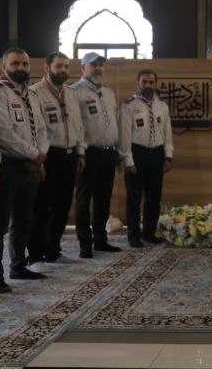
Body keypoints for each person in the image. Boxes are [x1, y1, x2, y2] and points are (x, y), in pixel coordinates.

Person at [0, 47, 49, 288]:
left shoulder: (32, 94)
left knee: (24, 219)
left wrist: (40, 154)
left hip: (31, 164)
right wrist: (35, 154)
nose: (21, 68)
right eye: (15, 64)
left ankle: (18, 266)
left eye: (24, 64)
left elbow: (41, 128)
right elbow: (3, 133)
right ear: (4, 67)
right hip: (7, 164)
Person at [29, 52, 85, 263]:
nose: (63, 70)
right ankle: (35, 254)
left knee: (63, 205)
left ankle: (53, 249)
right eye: (59, 66)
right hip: (48, 156)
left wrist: (80, 152)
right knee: (42, 206)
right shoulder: (35, 92)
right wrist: (39, 159)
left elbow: (78, 125)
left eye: (66, 67)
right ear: (47, 68)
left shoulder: (71, 93)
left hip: (69, 155)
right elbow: (34, 130)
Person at [71, 52, 122, 257]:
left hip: (108, 153)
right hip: (87, 154)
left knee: (103, 199)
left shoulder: (108, 92)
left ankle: (100, 240)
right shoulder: (75, 91)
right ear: (83, 68)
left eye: (101, 64)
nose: (99, 68)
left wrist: (118, 150)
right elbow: (75, 126)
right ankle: (85, 244)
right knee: (84, 201)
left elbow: (114, 123)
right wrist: (80, 153)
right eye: (94, 65)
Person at [120, 68, 173, 248]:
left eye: (151, 82)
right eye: (144, 82)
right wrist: (128, 160)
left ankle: (149, 234)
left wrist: (168, 157)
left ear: (155, 84)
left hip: (157, 155)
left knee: (154, 198)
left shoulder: (162, 106)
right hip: (137, 153)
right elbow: (125, 136)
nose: (148, 85)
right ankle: (133, 236)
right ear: (138, 83)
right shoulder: (129, 105)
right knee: (134, 199)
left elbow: (167, 134)